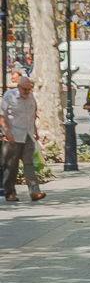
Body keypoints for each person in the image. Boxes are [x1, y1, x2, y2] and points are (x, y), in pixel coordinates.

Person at [0, 75, 45, 203]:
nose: (26, 92)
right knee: (11, 166)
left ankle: (35, 192)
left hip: (28, 135)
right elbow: (1, 115)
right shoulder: (9, 96)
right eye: (24, 89)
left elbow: (32, 116)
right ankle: (10, 193)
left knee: (29, 164)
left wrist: (35, 131)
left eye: (28, 89)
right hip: (13, 136)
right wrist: (7, 131)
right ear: (18, 87)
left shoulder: (31, 97)